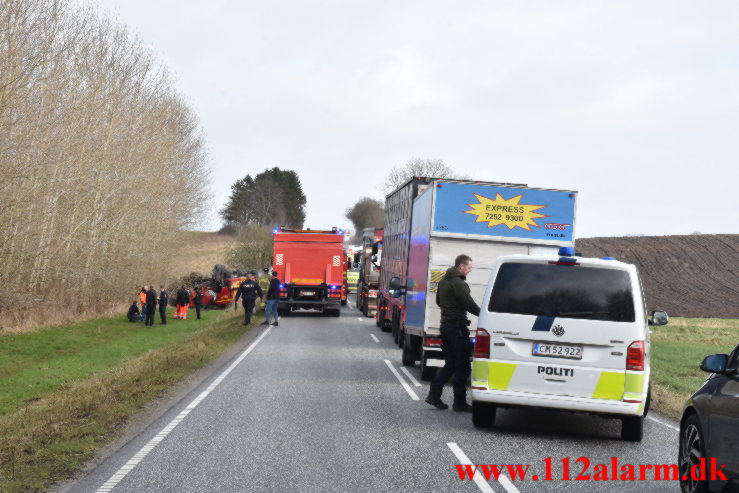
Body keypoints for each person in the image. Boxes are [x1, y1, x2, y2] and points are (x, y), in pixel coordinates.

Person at [426, 254, 480, 412]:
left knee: (450, 364)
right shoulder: (459, 283)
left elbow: (438, 302)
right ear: (461, 266)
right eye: (469, 267)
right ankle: (459, 402)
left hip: (446, 326)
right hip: (457, 328)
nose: (470, 270)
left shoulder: (443, 281)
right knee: (463, 366)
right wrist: (484, 314)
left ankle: (433, 395)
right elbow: (468, 304)